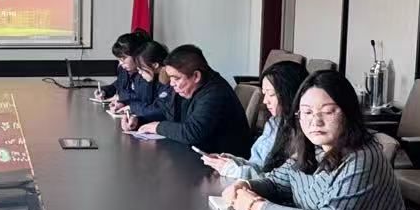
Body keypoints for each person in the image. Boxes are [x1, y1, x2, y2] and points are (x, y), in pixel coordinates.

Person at [222, 70, 406, 210]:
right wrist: (245, 185)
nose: (316, 121)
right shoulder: (312, 147)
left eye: (328, 111)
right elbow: (276, 183)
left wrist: (255, 206)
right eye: (307, 112)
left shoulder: (363, 158)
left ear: (349, 113)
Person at [125, 43, 253, 157]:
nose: (172, 84)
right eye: (170, 78)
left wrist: (157, 127)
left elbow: (192, 132)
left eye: (176, 78)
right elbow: (168, 112)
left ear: (196, 76)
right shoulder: (189, 88)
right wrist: (139, 121)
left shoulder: (215, 92)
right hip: (197, 156)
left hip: (223, 164)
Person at [204, 59, 305, 181]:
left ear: (290, 93)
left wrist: (233, 170)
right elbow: (258, 165)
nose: (265, 101)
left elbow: (278, 182)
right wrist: (233, 162)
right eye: (264, 94)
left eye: (271, 94)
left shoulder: (305, 135)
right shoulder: (274, 123)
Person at [120, 39, 174, 126]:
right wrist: (137, 121)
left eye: (142, 68)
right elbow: (146, 102)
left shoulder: (170, 81)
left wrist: (133, 108)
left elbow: (160, 110)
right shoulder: (154, 77)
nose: (140, 72)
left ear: (155, 65)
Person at [98, 30, 150, 105]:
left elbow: (142, 97)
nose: (121, 64)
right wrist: (104, 91)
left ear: (136, 55)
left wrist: (121, 97)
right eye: (119, 60)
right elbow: (117, 85)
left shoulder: (146, 74)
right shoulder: (123, 70)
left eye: (123, 59)